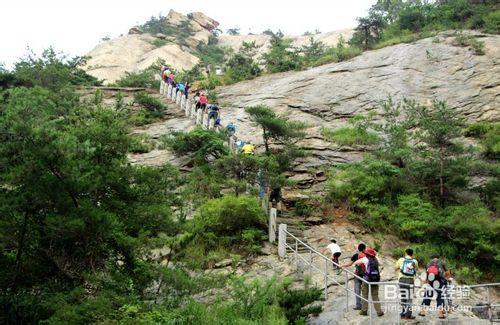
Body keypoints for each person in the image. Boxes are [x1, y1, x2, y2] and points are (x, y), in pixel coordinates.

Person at [353, 248, 384, 317]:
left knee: (365, 295)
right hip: (375, 280)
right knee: (375, 296)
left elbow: (355, 263)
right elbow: (381, 264)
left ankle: (364, 311)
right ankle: (379, 312)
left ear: (367, 254)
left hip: (367, 280)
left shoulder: (365, 259)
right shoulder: (376, 259)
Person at [419, 254, 447, 319]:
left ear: (432, 258)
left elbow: (427, 272)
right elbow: (446, 272)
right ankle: (440, 314)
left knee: (427, 296)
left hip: (431, 281)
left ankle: (423, 312)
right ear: (438, 257)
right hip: (439, 281)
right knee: (440, 297)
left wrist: (426, 281)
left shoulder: (429, 263)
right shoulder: (442, 262)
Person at [341, 243, 366, 310]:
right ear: (364, 249)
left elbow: (349, 264)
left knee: (357, 290)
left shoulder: (356, 255)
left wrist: (342, 266)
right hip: (366, 276)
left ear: (358, 249)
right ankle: (365, 305)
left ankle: (358, 305)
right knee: (365, 291)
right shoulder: (366, 255)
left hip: (357, 275)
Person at [395, 248, 418, 320]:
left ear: (405, 253)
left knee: (403, 297)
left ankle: (402, 314)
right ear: (412, 254)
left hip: (401, 280)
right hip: (410, 281)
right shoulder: (415, 261)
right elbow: (416, 270)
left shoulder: (401, 259)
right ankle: (408, 315)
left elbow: (396, 267)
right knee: (409, 298)